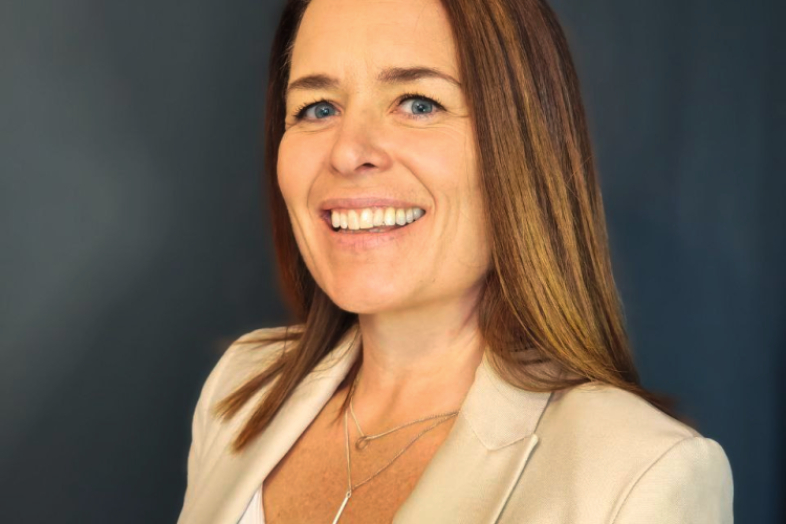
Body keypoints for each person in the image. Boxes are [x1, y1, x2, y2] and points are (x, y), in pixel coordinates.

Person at [177, 0, 734, 522]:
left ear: (522, 146)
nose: (348, 151)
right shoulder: (240, 387)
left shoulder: (643, 478)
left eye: (418, 103)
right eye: (318, 107)